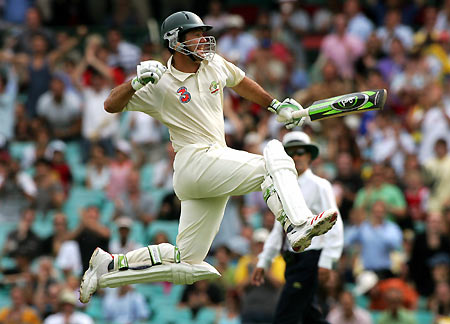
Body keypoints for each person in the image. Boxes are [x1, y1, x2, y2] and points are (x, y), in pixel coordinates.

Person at [79, 11, 338, 304]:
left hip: (211, 168)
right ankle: (297, 223)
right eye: (195, 34)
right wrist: (135, 83)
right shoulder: (160, 83)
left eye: (204, 33)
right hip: (193, 163)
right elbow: (110, 104)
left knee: (187, 262)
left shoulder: (213, 63)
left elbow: (240, 82)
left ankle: (108, 267)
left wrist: (275, 105)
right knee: (275, 158)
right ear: (176, 42)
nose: (204, 40)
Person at [251, 131, 344, 324]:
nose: (296, 157)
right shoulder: (282, 187)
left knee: (286, 314)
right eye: (291, 153)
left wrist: (328, 261)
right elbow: (280, 228)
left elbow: (335, 224)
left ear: (309, 156)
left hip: (309, 257)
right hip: (291, 259)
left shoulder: (320, 185)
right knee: (309, 314)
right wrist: (264, 260)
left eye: (300, 152)